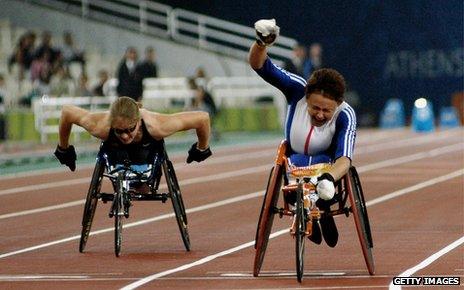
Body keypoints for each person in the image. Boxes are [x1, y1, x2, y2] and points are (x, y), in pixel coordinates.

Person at [250, 19, 356, 247]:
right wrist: (261, 42)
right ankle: (304, 211)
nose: (319, 115)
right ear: (306, 97)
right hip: (294, 161)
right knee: (292, 181)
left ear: (337, 105)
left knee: (324, 188)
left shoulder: (346, 114)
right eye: (314, 108)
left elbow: (345, 159)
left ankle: (324, 210)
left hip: (325, 163)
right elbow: (260, 66)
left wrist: (328, 177)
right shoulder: (297, 88)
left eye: (326, 110)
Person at [54, 96, 212, 173]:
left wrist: (202, 148)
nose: (124, 136)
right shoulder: (101, 126)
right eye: (119, 130)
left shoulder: (157, 126)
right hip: (114, 150)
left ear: (139, 121)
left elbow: (202, 118)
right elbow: (67, 112)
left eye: (130, 129)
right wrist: (63, 148)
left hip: (147, 147)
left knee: (143, 188)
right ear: (111, 124)